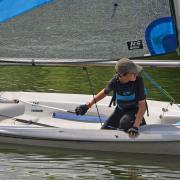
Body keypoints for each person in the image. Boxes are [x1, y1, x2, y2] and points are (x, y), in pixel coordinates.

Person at [75, 58, 147, 138]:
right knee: (104, 131)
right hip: (121, 109)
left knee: (124, 123)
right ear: (123, 75)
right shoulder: (114, 82)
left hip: (135, 110)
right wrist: (87, 106)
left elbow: (142, 105)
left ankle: (140, 122)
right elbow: (104, 92)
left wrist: (135, 126)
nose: (136, 74)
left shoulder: (138, 81)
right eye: (133, 72)